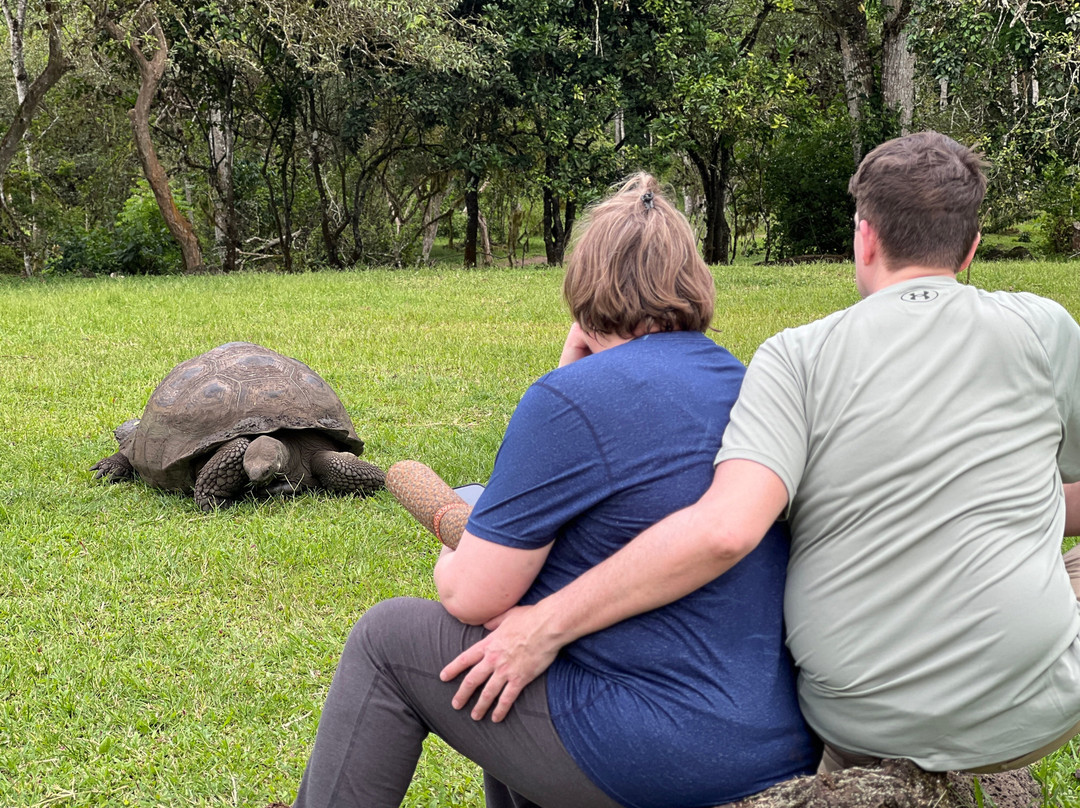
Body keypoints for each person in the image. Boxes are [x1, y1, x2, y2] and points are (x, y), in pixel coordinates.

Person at [442, 132, 1080, 775]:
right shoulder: (1045, 328)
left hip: (861, 722)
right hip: (1042, 713)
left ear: (864, 238)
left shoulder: (797, 356)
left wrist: (545, 624)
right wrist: (1008, 497)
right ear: (971, 250)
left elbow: (725, 528)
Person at [291, 174, 820, 808]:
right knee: (514, 658)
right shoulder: (742, 380)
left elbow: (472, 592)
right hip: (776, 737)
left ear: (583, 293)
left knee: (389, 638)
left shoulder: (568, 402)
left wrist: (464, 521)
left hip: (665, 750)